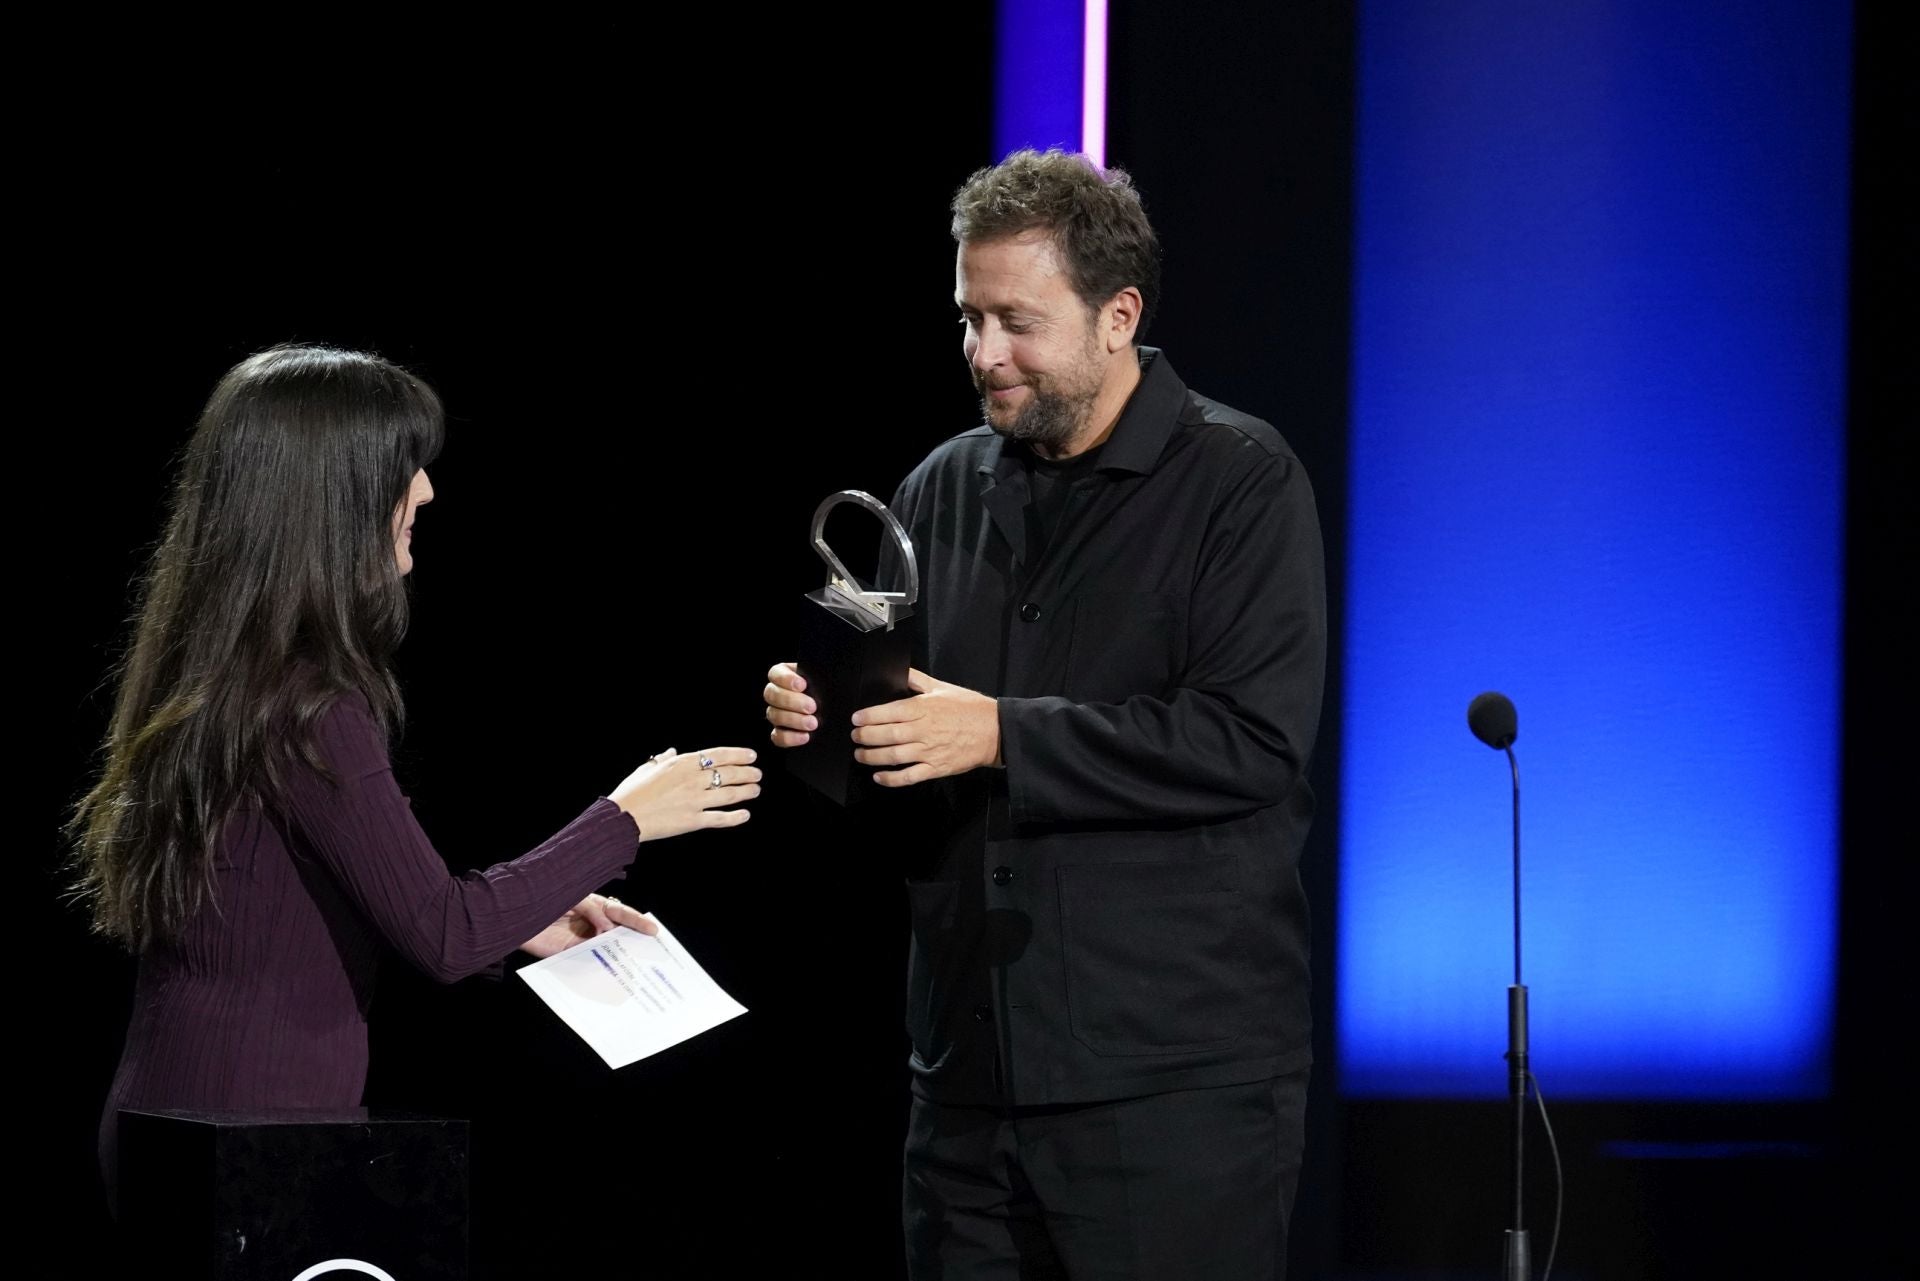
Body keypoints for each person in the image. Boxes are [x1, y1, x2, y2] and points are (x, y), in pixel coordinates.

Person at [763, 149, 1326, 1277]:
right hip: (966, 1080)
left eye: (1015, 322)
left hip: (1169, 1089)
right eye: (968, 319)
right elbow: (907, 760)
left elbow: (1251, 742)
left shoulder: (1240, 480)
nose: (983, 353)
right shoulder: (940, 487)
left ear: (1118, 316)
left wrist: (1005, 734)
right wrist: (831, 731)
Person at [69, 344, 761, 1212]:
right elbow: (442, 931)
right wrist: (624, 819)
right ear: (327, 497)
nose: (425, 491)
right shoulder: (308, 706)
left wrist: (522, 923)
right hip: (252, 1144)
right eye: (402, 468)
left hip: (171, 1119)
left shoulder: (218, 667)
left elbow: (319, 908)